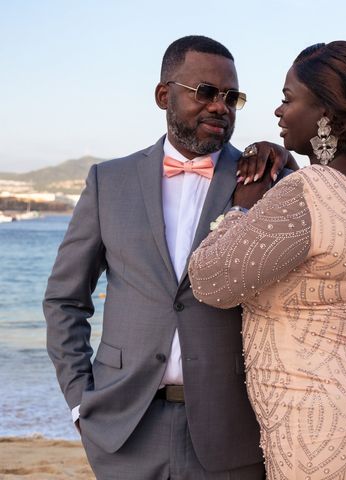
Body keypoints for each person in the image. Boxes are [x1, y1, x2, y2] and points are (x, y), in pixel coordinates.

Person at [44, 35, 295, 479]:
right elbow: (65, 299)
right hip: (124, 428)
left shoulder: (261, 177)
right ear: (164, 95)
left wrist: (284, 161)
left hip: (229, 432)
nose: (221, 106)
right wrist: (80, 402)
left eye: (231, 96)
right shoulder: (108, 181)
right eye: (206, 92)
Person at [188, 41, 346, 479]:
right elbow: (320, 240)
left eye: (287, 98)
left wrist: (243, 205)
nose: (278, 112)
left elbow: (210, 280)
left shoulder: (308, 191)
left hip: (319, 411)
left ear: (327, 113)